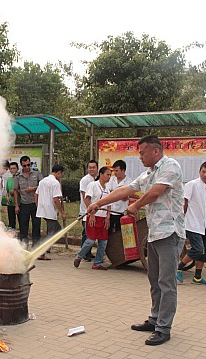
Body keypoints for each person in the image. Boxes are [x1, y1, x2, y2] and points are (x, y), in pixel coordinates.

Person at [87, 135, 185, 346]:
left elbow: (156, 192)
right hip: (154, 233)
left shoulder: (170, 166)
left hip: (170, 233)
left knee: (167, 283)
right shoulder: (148, 173)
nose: (140, 157)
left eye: (142, 153)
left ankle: (164, 329)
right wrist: (98, 203)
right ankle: (155, 319)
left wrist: (136, 206)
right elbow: (125, 190)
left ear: (156, 151)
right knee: (154, 280)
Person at [177, 161, 206, 286]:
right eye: (203, 172)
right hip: (192, 223)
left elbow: (205, 205)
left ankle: (197, 277)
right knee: (198, 249)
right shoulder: (192, 184)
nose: (205, 175)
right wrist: (181, 219)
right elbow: (184, 202)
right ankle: (179, 268)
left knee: (204, 251)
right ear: (199, 171)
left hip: (203, 224)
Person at [74, 166, 112, 269]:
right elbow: (87, 199)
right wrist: (91, 214)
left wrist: (108, 217)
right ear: (101, 174)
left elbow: (109, 204)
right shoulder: (93, 185)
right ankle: (79, 256)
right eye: (107, 174)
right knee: (90, 240)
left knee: (103, 242)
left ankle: (97, 263)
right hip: (93, 217)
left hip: (103, 218)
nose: (109, 177)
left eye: (110, 175)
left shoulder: (107, 189)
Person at [35, 164, 66, 260]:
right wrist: (62, 212)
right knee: (53, 232)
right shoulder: (55, 183)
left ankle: (45, 249)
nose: (61, 176)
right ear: (59, 173)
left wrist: (38, 206)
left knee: (55, 229)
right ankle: (42, 251)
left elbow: (36, 195)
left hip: (42, 209)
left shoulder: (42, 181)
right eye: (61, 174)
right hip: (50, 210)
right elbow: (56, 199)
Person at [14, 156, 43, 247]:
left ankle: (36, 245)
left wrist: (32, 188)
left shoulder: (36, 173)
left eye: (28, 165)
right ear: (21, 165)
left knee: (36, 224)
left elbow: (42, 185)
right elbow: (15, 190)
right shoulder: (18, 176)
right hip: (24, 204)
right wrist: (16, 205)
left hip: (35, 203)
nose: (27, 167)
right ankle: (24, 244)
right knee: (23, 225)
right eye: (24, 165)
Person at [79, 160, 98, 260]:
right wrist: (89, 208)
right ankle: (84, 253)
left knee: (91, 233)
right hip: (85, 211)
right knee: (86, 233)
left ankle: (88, 252)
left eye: (93, 167)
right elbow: (84, 195)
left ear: (97, 168)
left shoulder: (97, 179)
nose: (91, 169)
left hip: (94, 210)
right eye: (90, 167)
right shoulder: (85, 180)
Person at [107, 160, 132, 233]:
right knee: (109, 233)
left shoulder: (129, 181)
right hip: (111, 211)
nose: (115, 173)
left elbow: (126, 197)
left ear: (123, 170)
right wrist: (120, 194)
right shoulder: (111, 179)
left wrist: (115, 193)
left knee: (120, 233)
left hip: (122, 212)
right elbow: (109, 193)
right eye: (114, 171)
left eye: (116, 171)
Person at [4, 162, 19, 230]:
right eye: (11, 169)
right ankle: (12, 233)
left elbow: (24, 190)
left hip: (19, 204)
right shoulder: (9, 180)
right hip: (10, 204)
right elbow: (7, 192)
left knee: (22, 222)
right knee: (11, 223)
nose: (12, 170)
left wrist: (15, 192)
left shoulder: (20, 179)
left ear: (17, 169)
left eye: (14, 168)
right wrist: (7, 198)